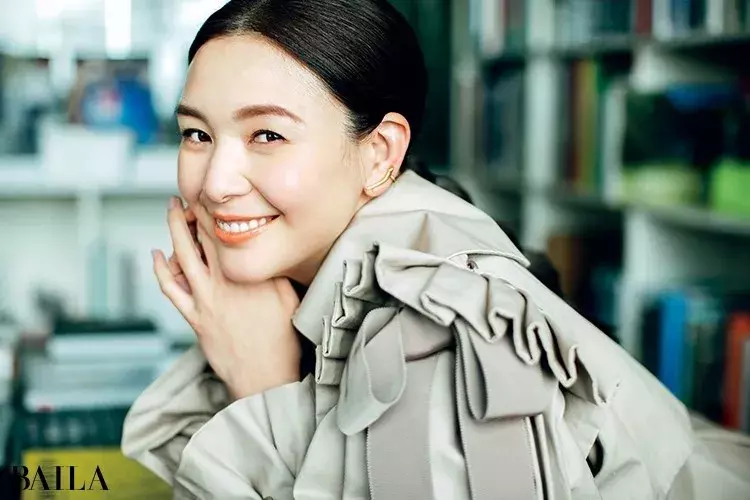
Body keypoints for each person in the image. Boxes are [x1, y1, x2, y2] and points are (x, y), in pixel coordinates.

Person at [121, 1, 750, 499]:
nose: (214, 183)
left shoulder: (435, 330)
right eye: (197, 134)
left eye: (266, 135)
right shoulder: (292, 280)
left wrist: (262, 386)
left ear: (380, 154)